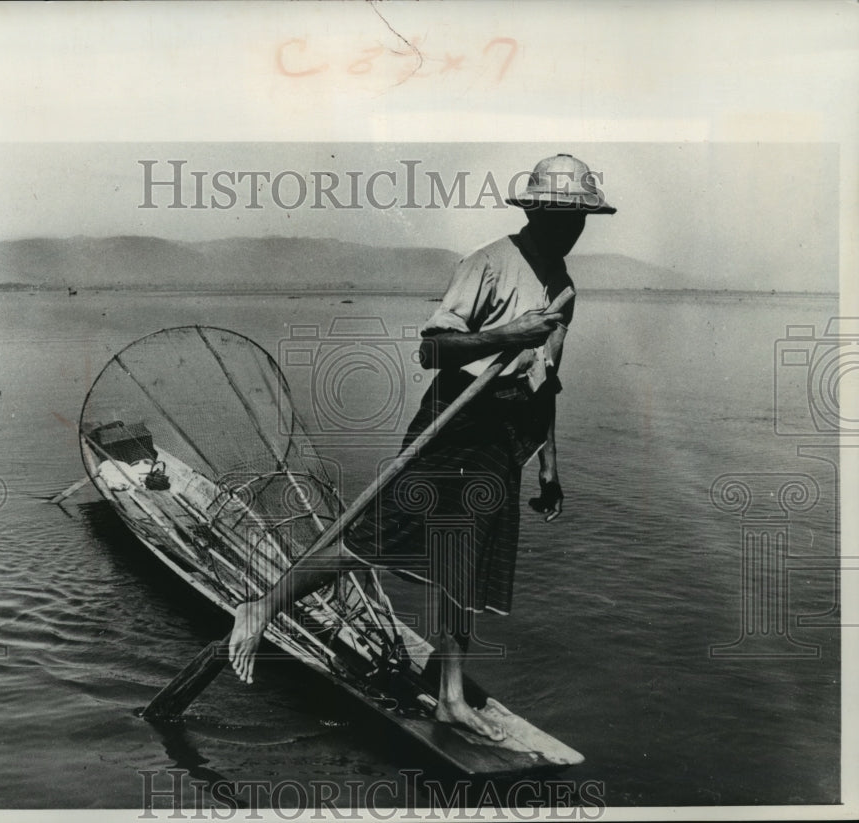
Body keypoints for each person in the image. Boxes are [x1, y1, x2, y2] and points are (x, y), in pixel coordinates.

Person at [229, 154, 616, 741]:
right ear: (536, 211)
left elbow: (546, 379)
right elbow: (432, 350)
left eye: (581, 217)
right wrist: (508, 334)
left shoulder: (563, 288)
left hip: (504, 437)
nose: (574, 227)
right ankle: (260, 607)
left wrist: (549, 465)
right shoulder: (488, 263)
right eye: (564, 215)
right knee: (373, 537)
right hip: (454, 422)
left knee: (465, 563)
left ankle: (450, 699)